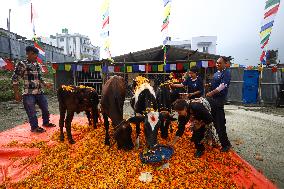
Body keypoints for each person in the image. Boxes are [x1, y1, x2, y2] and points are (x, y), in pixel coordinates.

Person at [12, 46, 56, 133]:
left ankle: (46, 123)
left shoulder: (38, 64)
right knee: (31, 112)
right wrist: (16, 93)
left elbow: (39, 78)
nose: (36, 56)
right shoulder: (22, 64)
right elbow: (14, 79)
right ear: (28, 54)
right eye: (33, 54)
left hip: (39, 92)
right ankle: (34, 127)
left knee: (45, 109)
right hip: (28, 93)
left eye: (36, 54)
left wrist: (45, 84)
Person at [206, 56, 232, 152]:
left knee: (220, 123)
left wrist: (211, 93)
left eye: (220, 63)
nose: (217, 64)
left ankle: (226, 145)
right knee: (215, 123)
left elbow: (222, 86)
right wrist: (209, 85)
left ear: (225, 63)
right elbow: (215, 84)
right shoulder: (217, 73)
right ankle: (218, 141)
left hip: (219, 100)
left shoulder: (226, 73)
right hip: (213, 100)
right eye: (217, 63)